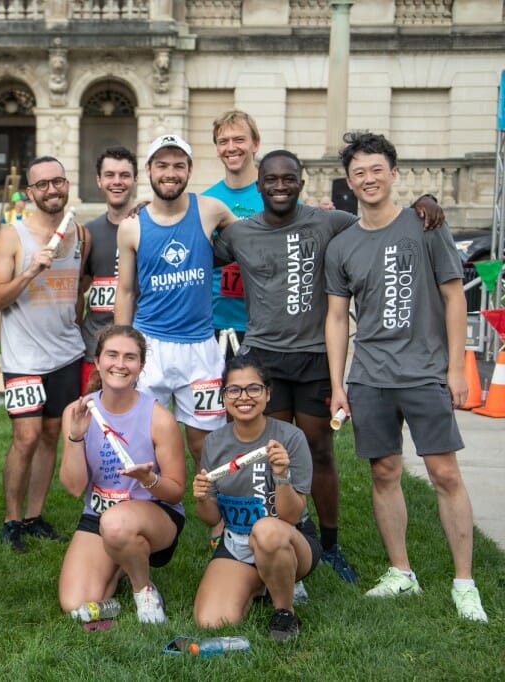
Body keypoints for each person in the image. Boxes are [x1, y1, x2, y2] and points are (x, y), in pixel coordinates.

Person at [213, 150, 443, 584]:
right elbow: (189, 238)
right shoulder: (239, 234)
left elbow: (380, 221)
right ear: (258, 185)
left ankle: (331, 545)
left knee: (318, 450)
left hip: (317, 356)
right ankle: (275, 536)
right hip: (265, 359)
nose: (279, 186)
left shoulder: (331, 221)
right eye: (271, 180)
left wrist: (425, 200)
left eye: (288, 179)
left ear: (302, 183)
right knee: (269, 453)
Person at [325, 131, 487, 622]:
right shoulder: (343, 245)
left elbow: (455, 295)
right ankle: (402, 573)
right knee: (383, 472)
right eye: (359, 172)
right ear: (349, 182)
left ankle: (464, 582)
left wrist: (457, 367)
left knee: (444, 474)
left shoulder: (425, 225)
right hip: (370, 376)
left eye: (377, 169)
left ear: (393, 174)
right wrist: (338, 385)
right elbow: (336, 318)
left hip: (424, 372)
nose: (368, 179)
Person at [114, 134, 236, 472]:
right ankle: (147, 510)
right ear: (148, 171)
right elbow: (125, 291)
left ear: (190, 170)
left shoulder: (210, 209)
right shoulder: (131, 227)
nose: (171, 173)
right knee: (144, 438)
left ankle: (215, 518)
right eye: (162, 165)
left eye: (178, 166)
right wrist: (122, 346)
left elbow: (250, 237)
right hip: (150, 346)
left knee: (205, 441)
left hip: (200, 349)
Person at [0, 156, 88, 552]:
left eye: (57, 182)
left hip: (67, 354)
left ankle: (34, 516)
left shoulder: (79, 234)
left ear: (66, 184)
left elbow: (79, 289)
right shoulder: (12, 236)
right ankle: (11, 520)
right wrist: (28, 271)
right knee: (25, 437)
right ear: (30, 192)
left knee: (50, 435)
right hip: (23, 358)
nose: (51, 190)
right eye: (42, 184)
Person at [59, 325, 186, 623]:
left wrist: (149, 480)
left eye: (130, 357)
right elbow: (75, 488)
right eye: (112, 355)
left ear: (141, 366)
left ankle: (144, 592)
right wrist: (75, 438)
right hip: (100, 514)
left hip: (154, 515)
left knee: (117, 524)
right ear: (98, 360)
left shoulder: (159, 418)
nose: (120, 364)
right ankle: (123, 562)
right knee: (74, 603)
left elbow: (177, 491)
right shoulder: (76, 412)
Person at [192, 354, 321, 641]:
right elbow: (212, 518)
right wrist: (202, 498)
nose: (244, 397)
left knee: (267, 531)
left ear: (267, 393)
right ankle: (263, 581)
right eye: (234, 390)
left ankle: (284, 610)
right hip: (237, 540)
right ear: (224, 396)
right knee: (212, 622)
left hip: (288, 537)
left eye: (253, 388)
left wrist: (282, 475)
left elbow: (289, 516)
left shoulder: (291, 437)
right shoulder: (215, 442)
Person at [203, 110, 263, 356]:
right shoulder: (206, 200)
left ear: (255, 144)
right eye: (223, 141)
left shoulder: (277, 195)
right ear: (217, 149)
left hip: (263, 328)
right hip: (215, 326)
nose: (231, 148)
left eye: (239, 140)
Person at [79, 147, 138, 392]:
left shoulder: (149, 227)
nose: (117, 181)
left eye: (124, 175)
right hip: (93, 347)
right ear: (99, 180)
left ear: (135, 180)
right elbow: (77, 288)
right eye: (110, 175)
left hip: (136, 347)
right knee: (89, 421)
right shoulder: (87, 232)